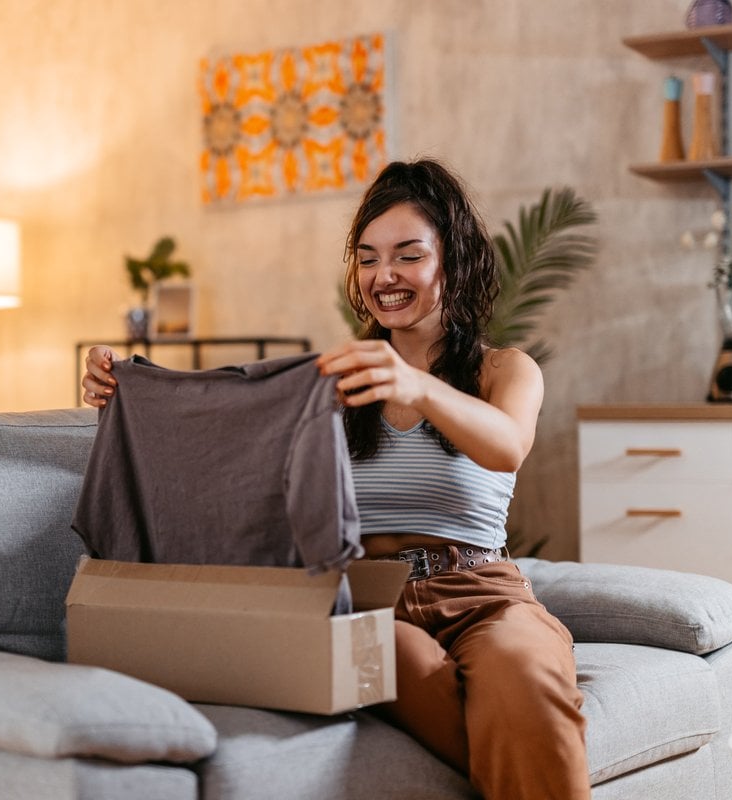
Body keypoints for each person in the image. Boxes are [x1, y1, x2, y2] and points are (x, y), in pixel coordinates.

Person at [80, 158, 590, 799]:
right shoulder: (333, 380)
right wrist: (124, 386)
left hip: (482, 592)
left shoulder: (505, 370)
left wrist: (416, 385)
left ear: (452, 262)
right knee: (397, 659)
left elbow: (508, 446)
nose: (385, 277)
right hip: (361, 600)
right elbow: (222, 422)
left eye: (408, 255)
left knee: (523, 676)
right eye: (369, 258)